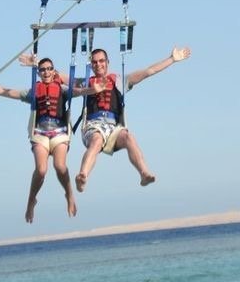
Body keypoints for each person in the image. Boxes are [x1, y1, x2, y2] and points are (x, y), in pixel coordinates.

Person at [0, 59, 87, 224]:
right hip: (40, 133)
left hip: (60, 133)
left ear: (54, 71)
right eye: (42, 69)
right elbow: (4, 91)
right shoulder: (33, 91)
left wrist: (93, 89)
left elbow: (81, 91)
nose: (46, 72)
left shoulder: (63, 89)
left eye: (49, 69)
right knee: (41, 170)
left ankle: (69, 194)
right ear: (38, 72)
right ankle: (32, 200)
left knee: (60, 166)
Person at [73, 45, 191, 193]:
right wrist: (37, 66)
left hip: (113, 128)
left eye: (101, 61)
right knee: (97, 140)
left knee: (129, 137)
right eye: (95, 62)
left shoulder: (119, 81)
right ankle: (83, 176)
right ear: (91, 65)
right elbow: (57, 78)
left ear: (107, 62)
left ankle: (144, 174)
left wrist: (172, 59)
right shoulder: (85, 83)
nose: (98, 64)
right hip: (92, 127)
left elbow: (149, 71)